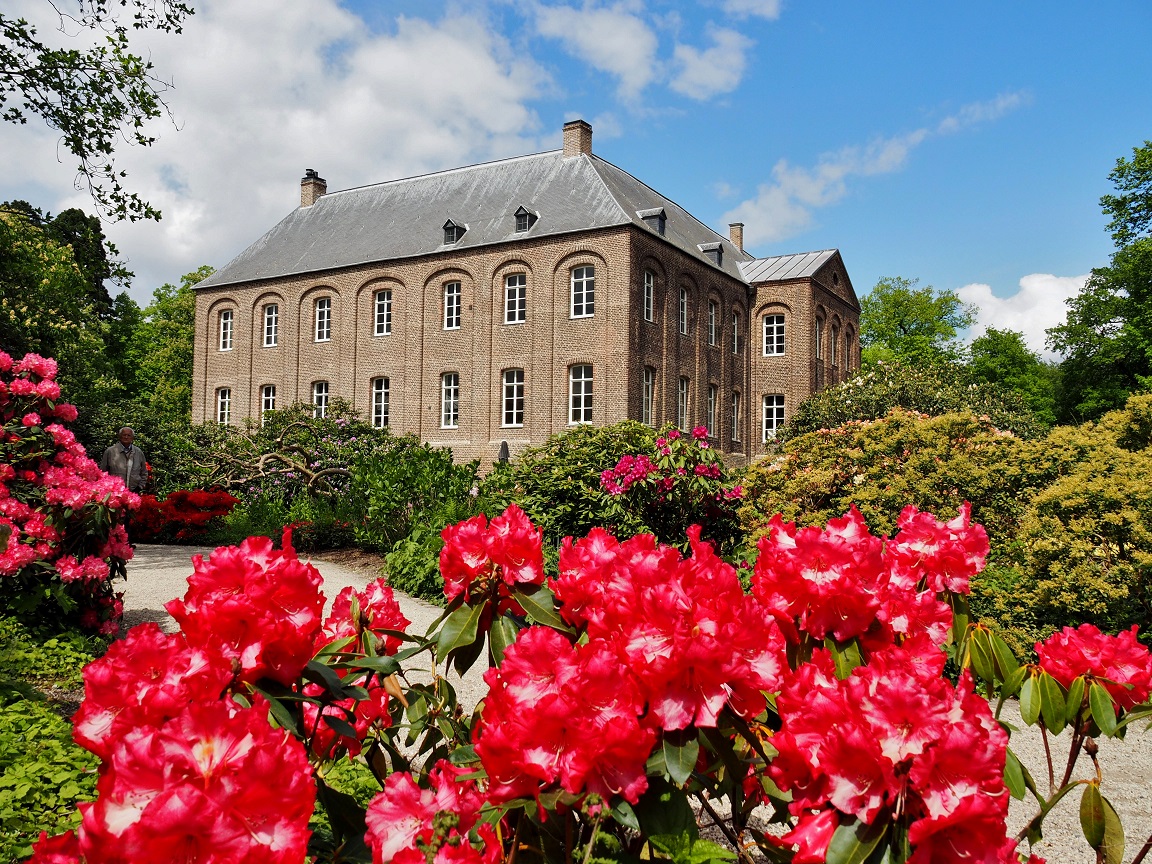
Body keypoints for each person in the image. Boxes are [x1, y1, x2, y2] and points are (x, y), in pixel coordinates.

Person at [99, 427, 148, 493]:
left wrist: (140, 487)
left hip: (134, 492)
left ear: (132, 438)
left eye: (128, 435)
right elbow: (103, 473)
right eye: (124, 435)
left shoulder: (138, 452)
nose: (126, 437)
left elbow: (144, 472)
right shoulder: (110, 452)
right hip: (114, 493)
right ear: (119, 436)